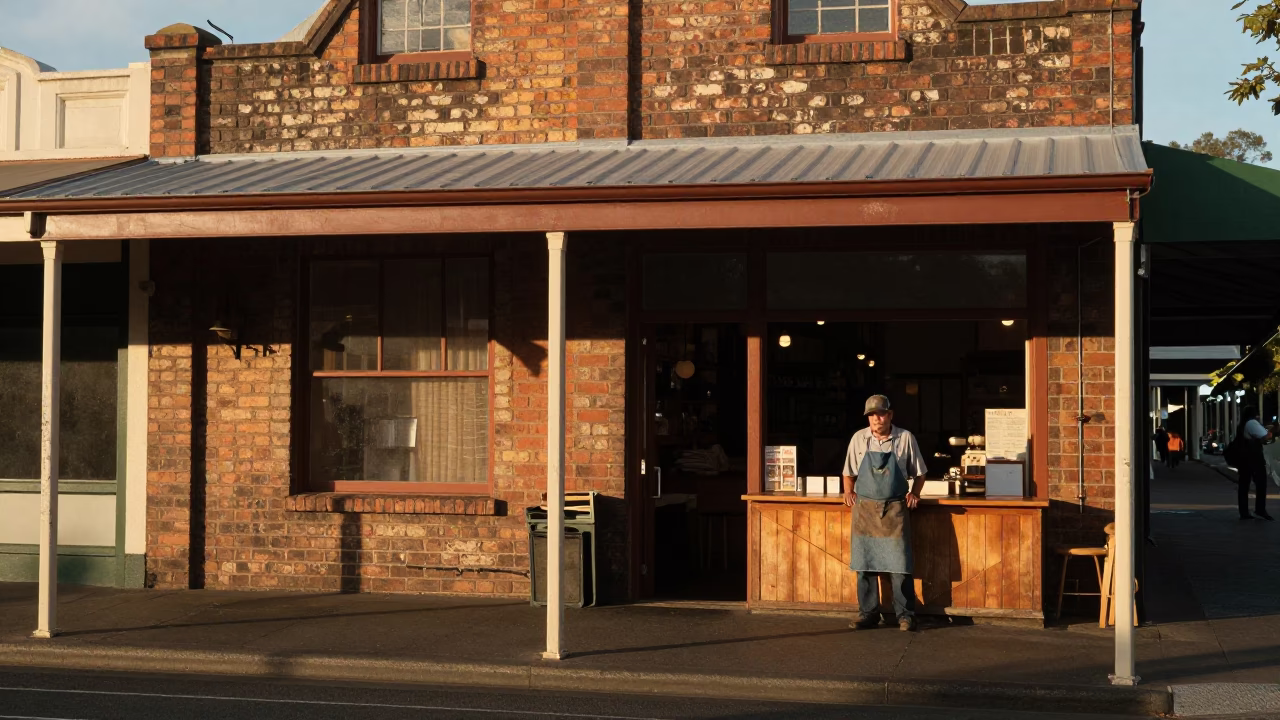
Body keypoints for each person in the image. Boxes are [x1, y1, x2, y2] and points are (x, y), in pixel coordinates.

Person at [841, 394, 929, 632]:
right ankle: (868, 614)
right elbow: (848, 472)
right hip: (865, 511)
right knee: (865, 564)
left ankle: (905, 615)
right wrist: (848, 492)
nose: (876, 419)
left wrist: (915, 493)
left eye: (880, 413)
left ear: (890, 415)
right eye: (871, 415)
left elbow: (920, 473)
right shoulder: (858, 439)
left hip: (895, 509)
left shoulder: (905, 439)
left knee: (899, 565)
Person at [1236, 405, 1273, 521]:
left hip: (1244, 458)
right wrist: (1271, 431)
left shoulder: (1242, 424)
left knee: (1244, 485)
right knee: (1261, 483)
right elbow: (1266, 437)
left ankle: (1244, 512)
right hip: (1254, 458)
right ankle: (1260, 509)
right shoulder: (1252, 423)